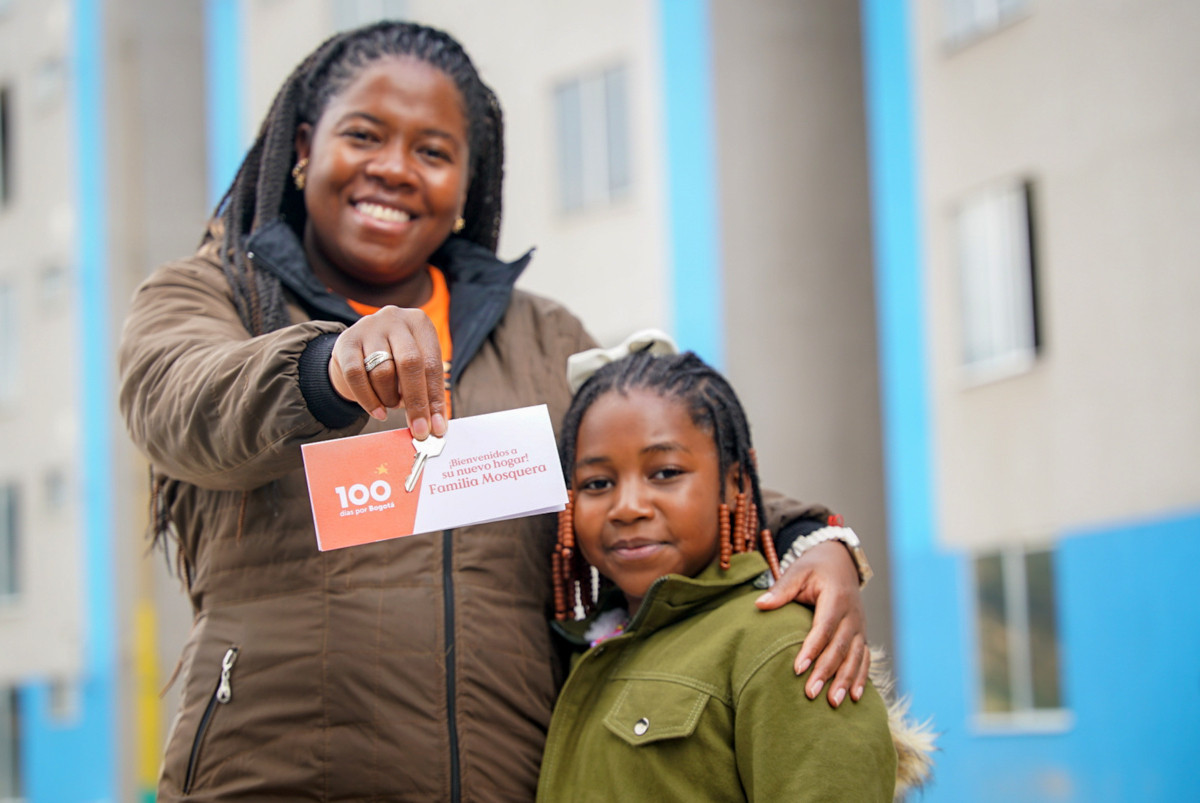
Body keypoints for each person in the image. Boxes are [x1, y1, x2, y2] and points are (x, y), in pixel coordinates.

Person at [118, 20, 873, 801]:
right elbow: (183, 403)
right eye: (364, 135)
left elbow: (650, 470)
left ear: (466, 185)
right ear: (306, 146)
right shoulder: (216, 296)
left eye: (433, 152)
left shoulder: (542, 336)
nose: (394, 170)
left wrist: (811, 537)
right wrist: (326, 365)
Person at [538, 348, 930, 801]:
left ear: (736, 483)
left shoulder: (786, 645)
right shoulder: (589, 650)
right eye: (597, 483)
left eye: (665, 472)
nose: (627, 507)